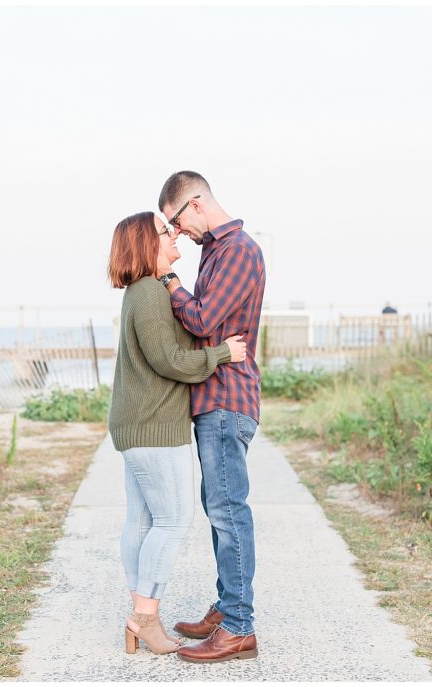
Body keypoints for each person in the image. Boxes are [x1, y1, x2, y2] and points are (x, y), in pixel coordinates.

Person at [106, 211, 247, 656]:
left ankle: (141, 617)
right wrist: (222, 353)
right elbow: (167, 360)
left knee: (143, 521)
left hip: (139, 423)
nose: (175, 236)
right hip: (153, 426)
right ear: (146, 242)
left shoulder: (142, 291)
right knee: (172, 520)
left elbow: (167, 350)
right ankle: (143, 618)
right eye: (165, 231)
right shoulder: (148, 293)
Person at [156, 171, 266, 663]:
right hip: (215, 399)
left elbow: (202, 321)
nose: (177, 233)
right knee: (218, 509)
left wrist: (169, 280)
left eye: (176, 221)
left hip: (227, 398)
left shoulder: (238, 249)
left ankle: (239, 626)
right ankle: (227, 608)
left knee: (227, 511)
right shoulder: (217, 252)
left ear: (196, 204)